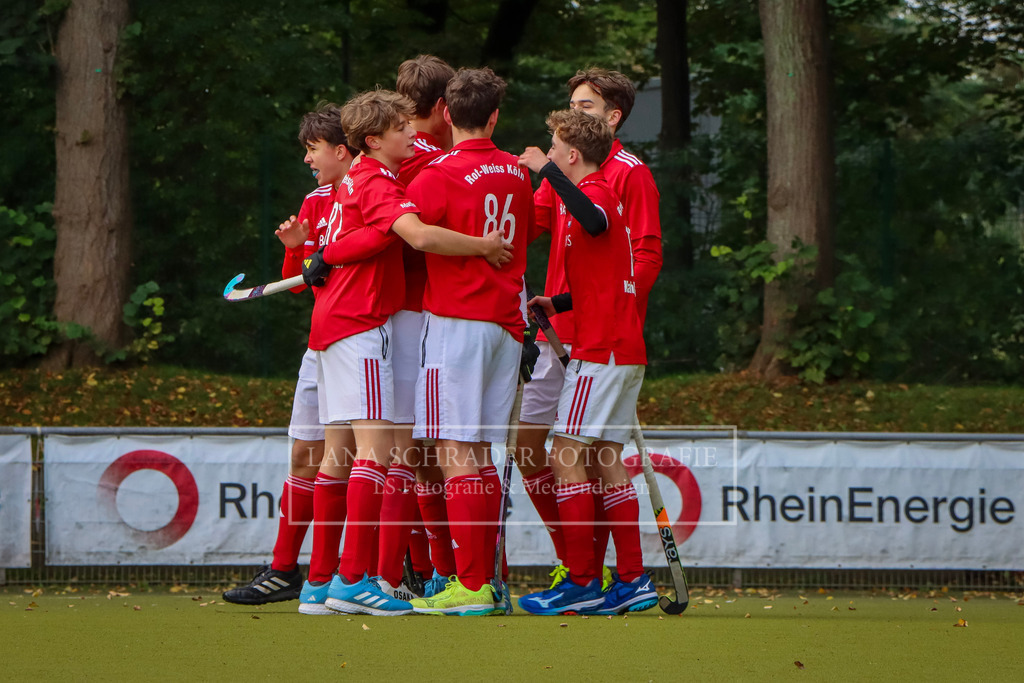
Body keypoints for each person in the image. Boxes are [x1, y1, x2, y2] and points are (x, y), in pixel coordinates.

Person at [300, 88, 513, 616]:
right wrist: (484, 246)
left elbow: (367, 237)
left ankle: (321, 587)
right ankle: (354, 580)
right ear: (373, 139)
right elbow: (416, 235)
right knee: (377, 452)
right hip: (362, 323)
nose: (412, 135)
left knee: (345, 455)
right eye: (401, 129)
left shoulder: (364, 177)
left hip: (337, 324)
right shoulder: (375, 181)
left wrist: (332, 250)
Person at [515, 68, 663, 588]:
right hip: (567, 327)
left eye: (585, 106)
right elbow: (532, 224)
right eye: (571, 105)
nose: (575, 113)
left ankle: (589, 577)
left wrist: (615, 315)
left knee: (574, 454)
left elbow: (640, 253)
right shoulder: (567, 172)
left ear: (612, 116)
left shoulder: (621, 173)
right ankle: (593, 566)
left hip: (600, 341)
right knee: (539, 448)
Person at [401, 67, 534, 616]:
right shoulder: (521, 175)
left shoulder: (433, 176)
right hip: (506, 324)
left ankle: (473, 585)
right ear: (496, 116)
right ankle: (485, 583)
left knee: (455, 453)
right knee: (479, 454)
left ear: (447, 114)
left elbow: (413, 238)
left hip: (455, 325)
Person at [222, 103, 358, 609]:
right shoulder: (314, 201)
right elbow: (303, 283)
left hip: (358, 341)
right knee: (304, 456)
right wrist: (295, 248)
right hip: (319, 344)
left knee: (347, 461)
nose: (307, 159)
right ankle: (284, 569)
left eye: (312, 149)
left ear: (341, 149)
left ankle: (342, 574)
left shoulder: (369, 192)